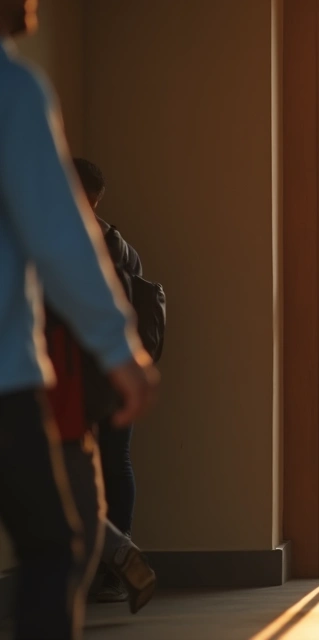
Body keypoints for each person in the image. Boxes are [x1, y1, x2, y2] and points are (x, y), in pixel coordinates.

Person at [1, 3, 160, 636]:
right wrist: (122, 351)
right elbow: (59, 235)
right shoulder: (12, 88)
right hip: (8, 376)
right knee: (55, 545)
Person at [71, 158, 159, 607]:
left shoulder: (59, 241)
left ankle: (107, 561)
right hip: (114, 371)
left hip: (71, 374)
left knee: (66, 470)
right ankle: (115, 561)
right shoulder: (121, 247)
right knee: (111, 463)